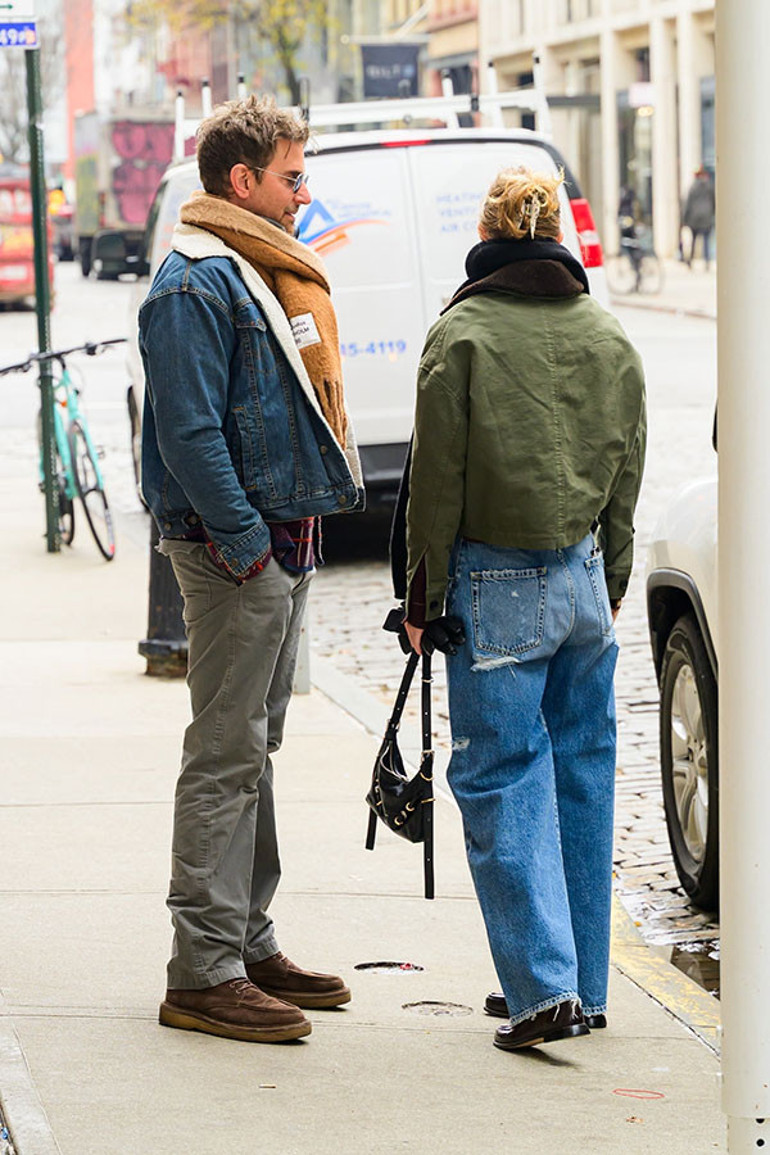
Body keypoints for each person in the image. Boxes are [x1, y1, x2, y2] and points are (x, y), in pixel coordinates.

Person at [391, 167, 646, 1050]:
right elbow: (626, 470)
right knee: (584, 771)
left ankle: (542, 989)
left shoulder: (460, 336)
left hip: (494, 582)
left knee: (501, 774)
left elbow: (436, 487)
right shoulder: (608, 336)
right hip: (582, 579)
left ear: (490, 233)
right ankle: (587, 982)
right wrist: (607, 579)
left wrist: (422, 599)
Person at [138, 95, 364, 1044]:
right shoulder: (194, 283)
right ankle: (202, 970)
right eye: (292, 176)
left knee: (252, 753)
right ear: (243, 182)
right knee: (226, 753)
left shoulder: (256, 267)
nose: (305, 192)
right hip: (240, 554)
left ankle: (246, 941)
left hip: (279, 546)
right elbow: (188, 435)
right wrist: (248, 548)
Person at [683, 166, 715, 270]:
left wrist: (685, 218)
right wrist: (712, 213)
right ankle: (706, 261)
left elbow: (688, 204)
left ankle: (690, 261)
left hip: (694, 218)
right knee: (705, 242)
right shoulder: (710, 186)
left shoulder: (693, 187)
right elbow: (714, 202)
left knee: (694, 241)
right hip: (706, 217)